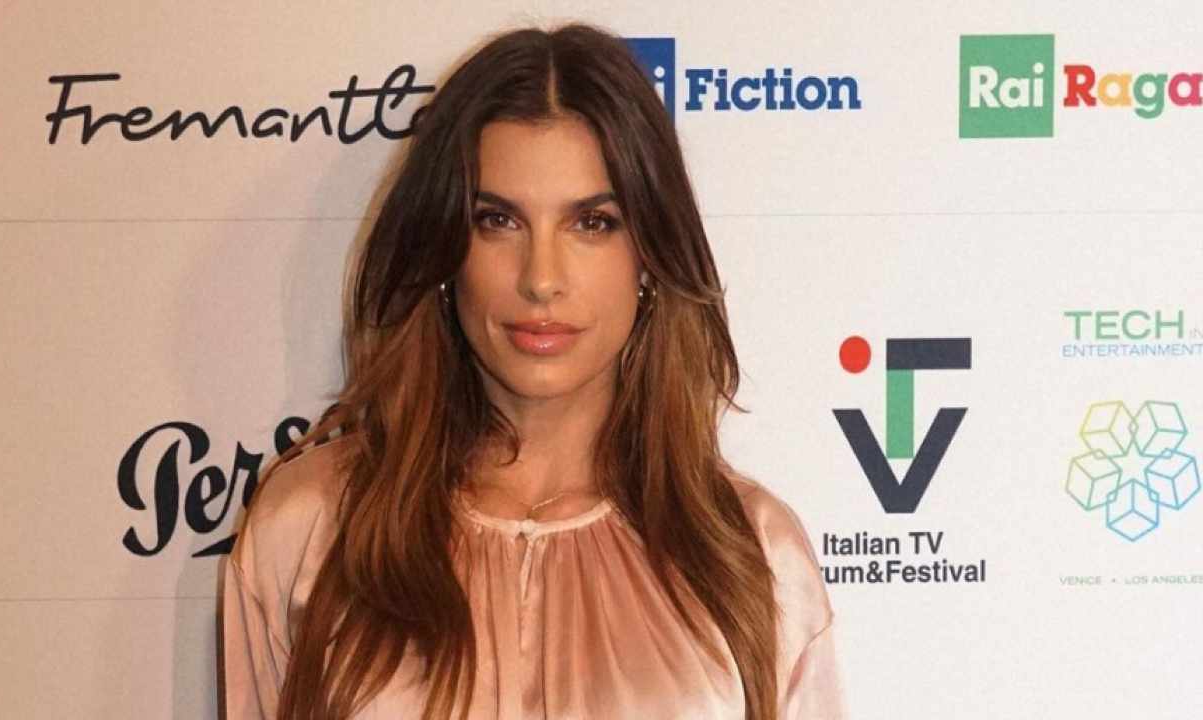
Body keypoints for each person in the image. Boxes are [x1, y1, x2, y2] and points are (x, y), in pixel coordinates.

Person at [221, 21, 845, 720]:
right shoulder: (310, 526)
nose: (541, 278)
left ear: (649, 257)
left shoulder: (755, 556)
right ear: (444, 250)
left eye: (592, 223)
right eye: (498, 221)